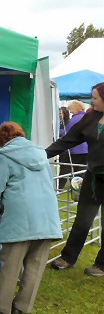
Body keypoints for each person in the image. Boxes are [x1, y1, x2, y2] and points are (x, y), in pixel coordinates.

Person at [0, 122, 62, 314]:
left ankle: (1, 307)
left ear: (2, 141)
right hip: (47, 217)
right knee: (35, 265)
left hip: (19, 217)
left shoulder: (3, 157)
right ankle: (22, 307)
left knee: (10, 264)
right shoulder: (41, 155)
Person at [46, 83, 104, 277]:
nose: (92, 100)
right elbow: (67, 140)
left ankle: (101, 265)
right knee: (82, 219)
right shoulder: (90, 118)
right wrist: (42, 154)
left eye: (95, 97)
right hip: (93, 178)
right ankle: (68, 257)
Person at [58, 100, 89, 190]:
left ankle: (59, 188)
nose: (70, 111)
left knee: (65, 169)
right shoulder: (86, 117)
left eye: (71, 109)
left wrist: (58, 131)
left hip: (75, 150)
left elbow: (68, 134)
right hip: (86, 149)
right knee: (81, 171)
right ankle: (78, 189)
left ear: (76, 108)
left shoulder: (75, 119)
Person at [56, 106, 71, 189]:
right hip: (60, 149)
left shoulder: (68, 123)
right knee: (63, 167)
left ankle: (60, 186)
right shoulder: (59, 123)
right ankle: (60, 186)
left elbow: (67, 134)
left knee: (65, 168)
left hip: (66, 149)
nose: (59, 115)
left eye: (60, 113)